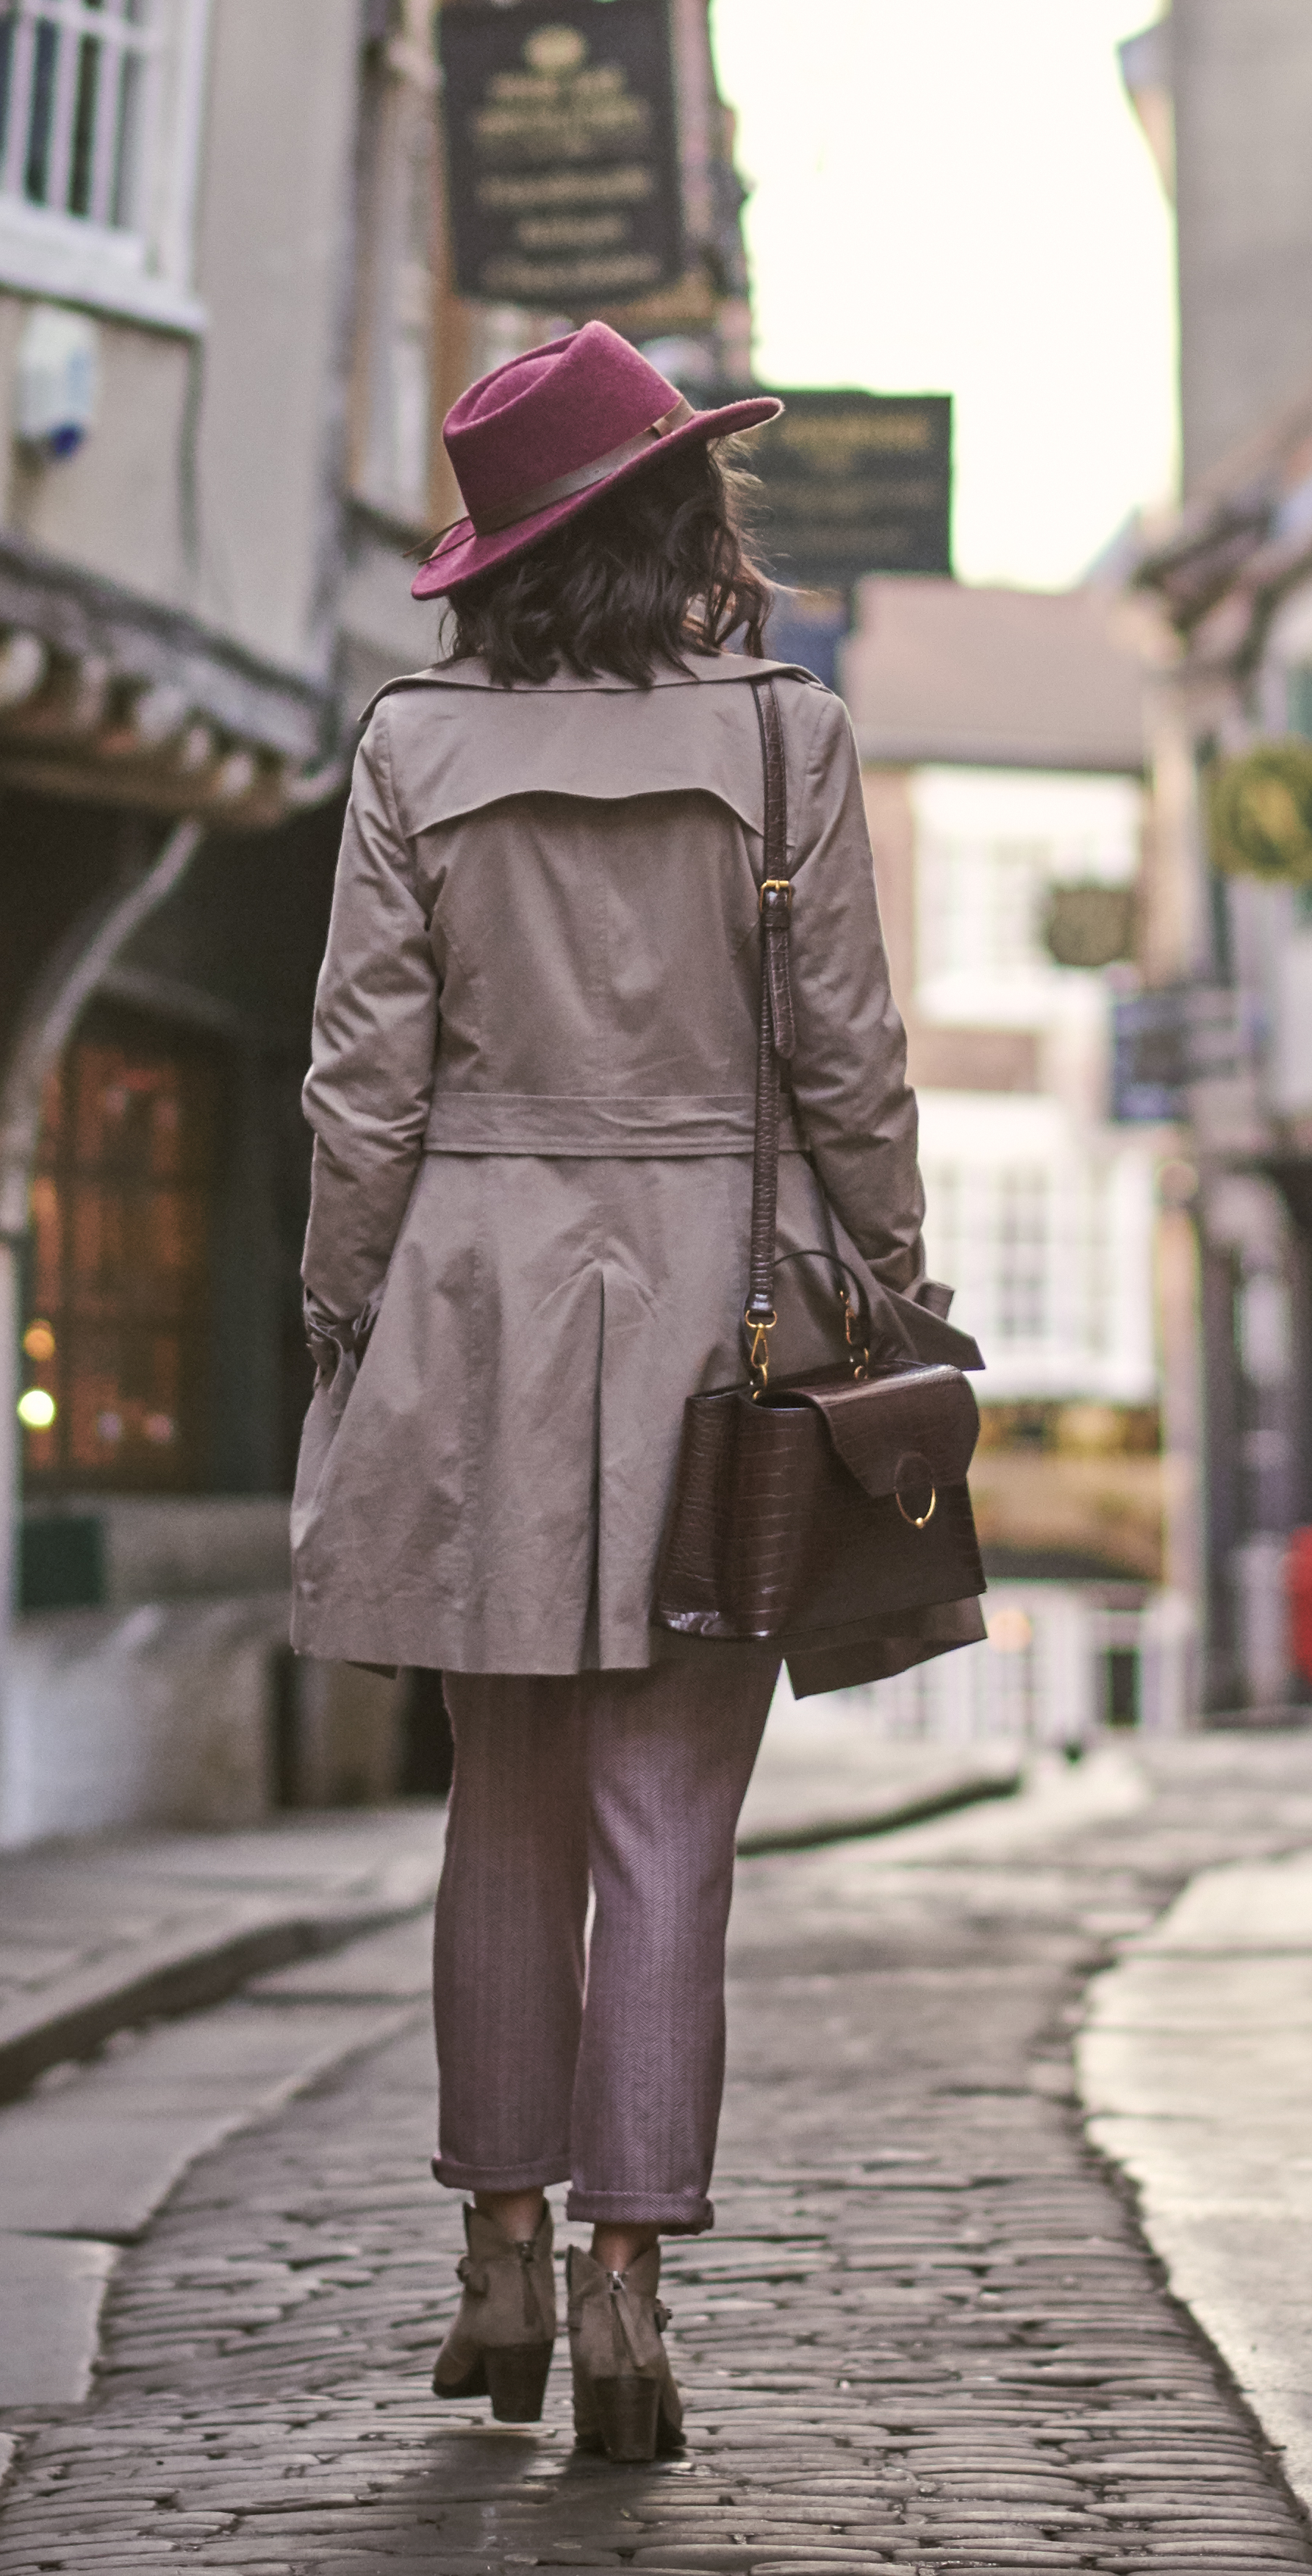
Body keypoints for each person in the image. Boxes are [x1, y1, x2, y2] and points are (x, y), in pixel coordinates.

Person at [291, 318, 954, 2463]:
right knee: (673, 1812)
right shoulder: (787, 745)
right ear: (686, 513)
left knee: (506, 1800)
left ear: (496, 554)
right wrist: (900, 1285)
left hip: (470, 1304)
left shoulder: (410, 753)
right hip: (721, 1319)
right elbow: (848, 1057)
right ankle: (627, 2288)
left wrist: (343, 1313)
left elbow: (361, 1085)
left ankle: (493, 2238)